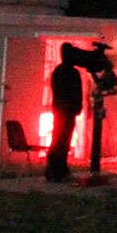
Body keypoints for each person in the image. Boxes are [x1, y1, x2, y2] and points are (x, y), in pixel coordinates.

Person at [46, 43, 83, 183]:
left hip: (60, 110)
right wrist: (77, 106)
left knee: (58, 139)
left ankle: (54, 169)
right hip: (67, 111)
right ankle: (58, 168)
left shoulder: (57, 71)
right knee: (63, 140)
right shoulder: (73, 73)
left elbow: (56, 90)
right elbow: (76, 92)